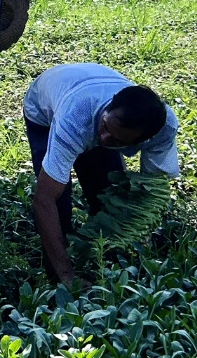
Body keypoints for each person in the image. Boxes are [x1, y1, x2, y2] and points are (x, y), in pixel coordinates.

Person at [23, 63, 179, 287]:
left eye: (117, 140)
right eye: (106, 127)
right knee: (59, 204)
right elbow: (44, 199)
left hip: (90, 97)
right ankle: (57, 276)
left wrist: (136, 234)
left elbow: (148, 193)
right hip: (44, 106)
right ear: (110, 106)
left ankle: (108, 259)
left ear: (144, 140)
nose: (105, 139)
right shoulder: (75, 118)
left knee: (108, 196)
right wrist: (67, 275)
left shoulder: (164, 129)